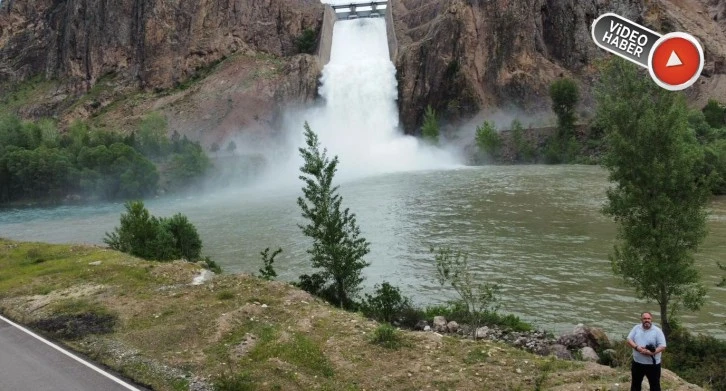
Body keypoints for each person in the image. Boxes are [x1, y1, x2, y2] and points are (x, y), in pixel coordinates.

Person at [626, 311, 667, 391]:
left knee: (655, 386)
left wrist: (652, 352)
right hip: (637, 363)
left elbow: (663, 346)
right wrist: (637, 347)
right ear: (641, 319)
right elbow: (629, 339)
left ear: (651, 320)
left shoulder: (657, 331)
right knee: (635, 384)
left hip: (653, 365)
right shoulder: (636, 328)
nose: (647, 320)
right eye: (645, 318)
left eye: (648, 318)